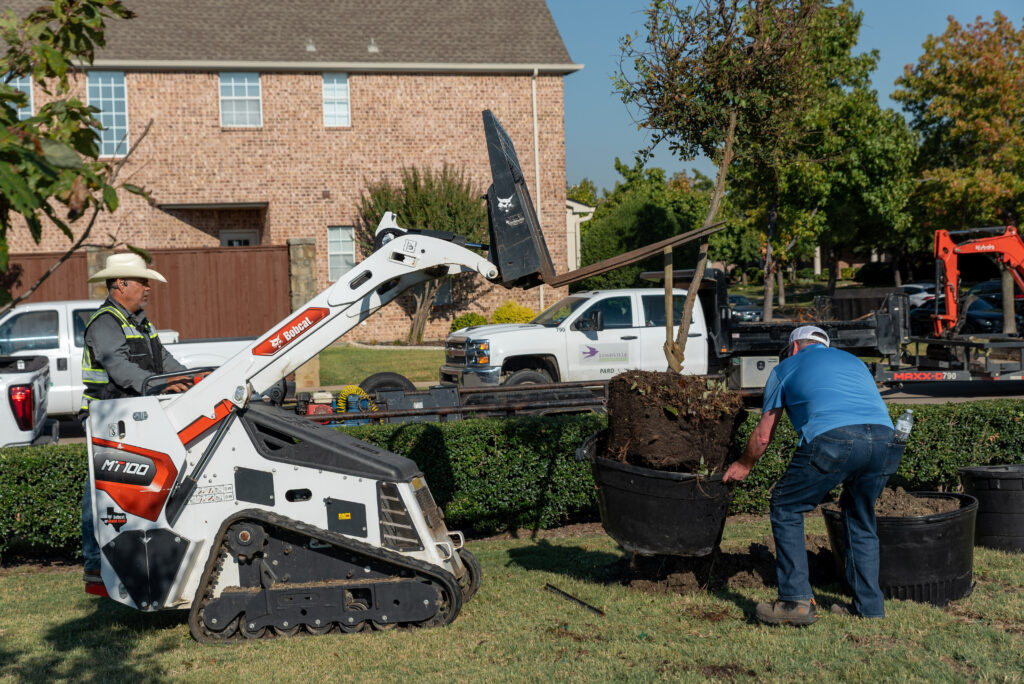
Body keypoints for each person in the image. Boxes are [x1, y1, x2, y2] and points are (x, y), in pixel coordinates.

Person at [722, 325, 902, 626]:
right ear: (825, 346)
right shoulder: (854, 362)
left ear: (794, 347)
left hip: (834, 439)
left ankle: (794, 602)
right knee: (859, 515)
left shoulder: (786, 367)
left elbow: (764, 436)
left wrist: (744, 463)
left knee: (786, 505)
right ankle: (870, 608)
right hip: (886, 441)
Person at [79, 253, 189, 586]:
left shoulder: (140, 321)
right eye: (143, 282)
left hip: (136, 416)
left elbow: (165, 360)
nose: (148, 288)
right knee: (99, 490)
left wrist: (196, 380)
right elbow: (121, 369)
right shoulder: (105, 324)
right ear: (120, 284)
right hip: (109, 416)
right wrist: (158, 384)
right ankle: (95, 561)